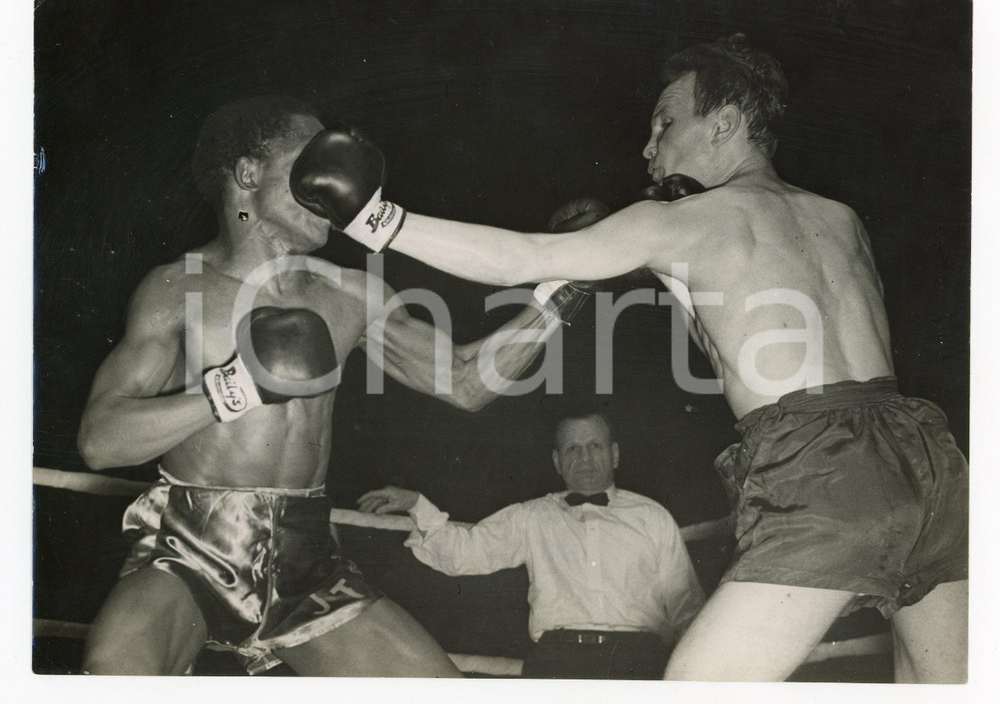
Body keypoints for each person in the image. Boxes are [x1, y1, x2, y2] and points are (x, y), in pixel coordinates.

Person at [292, 34, 969, 682]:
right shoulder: (840, 216)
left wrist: (379, 221)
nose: (649, 146)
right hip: (929, 459)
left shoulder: (681, 222)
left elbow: (520, 258)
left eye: (665, 123)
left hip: (823, 469)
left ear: (726, 122)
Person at [76, 95, 595, 676]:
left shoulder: (350, 292)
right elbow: (100, 440)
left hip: (308, 565)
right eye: (314, 162)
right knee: (114, 672)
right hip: (189, 552)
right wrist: (235, 388)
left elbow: (466, 382)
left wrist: (567, 290)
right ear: (248, 174)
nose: (338, 183)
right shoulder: (178, 288)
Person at [357, 409, 705, 679]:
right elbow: (465, 553)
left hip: (639, 663)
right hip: (558, 661)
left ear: (614, 454)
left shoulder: (652, 516)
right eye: (573, 448)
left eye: (594, 446)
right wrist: (417, 503)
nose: (584, 458)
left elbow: (686, 610)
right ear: (557, 461)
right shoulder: (533, 516)